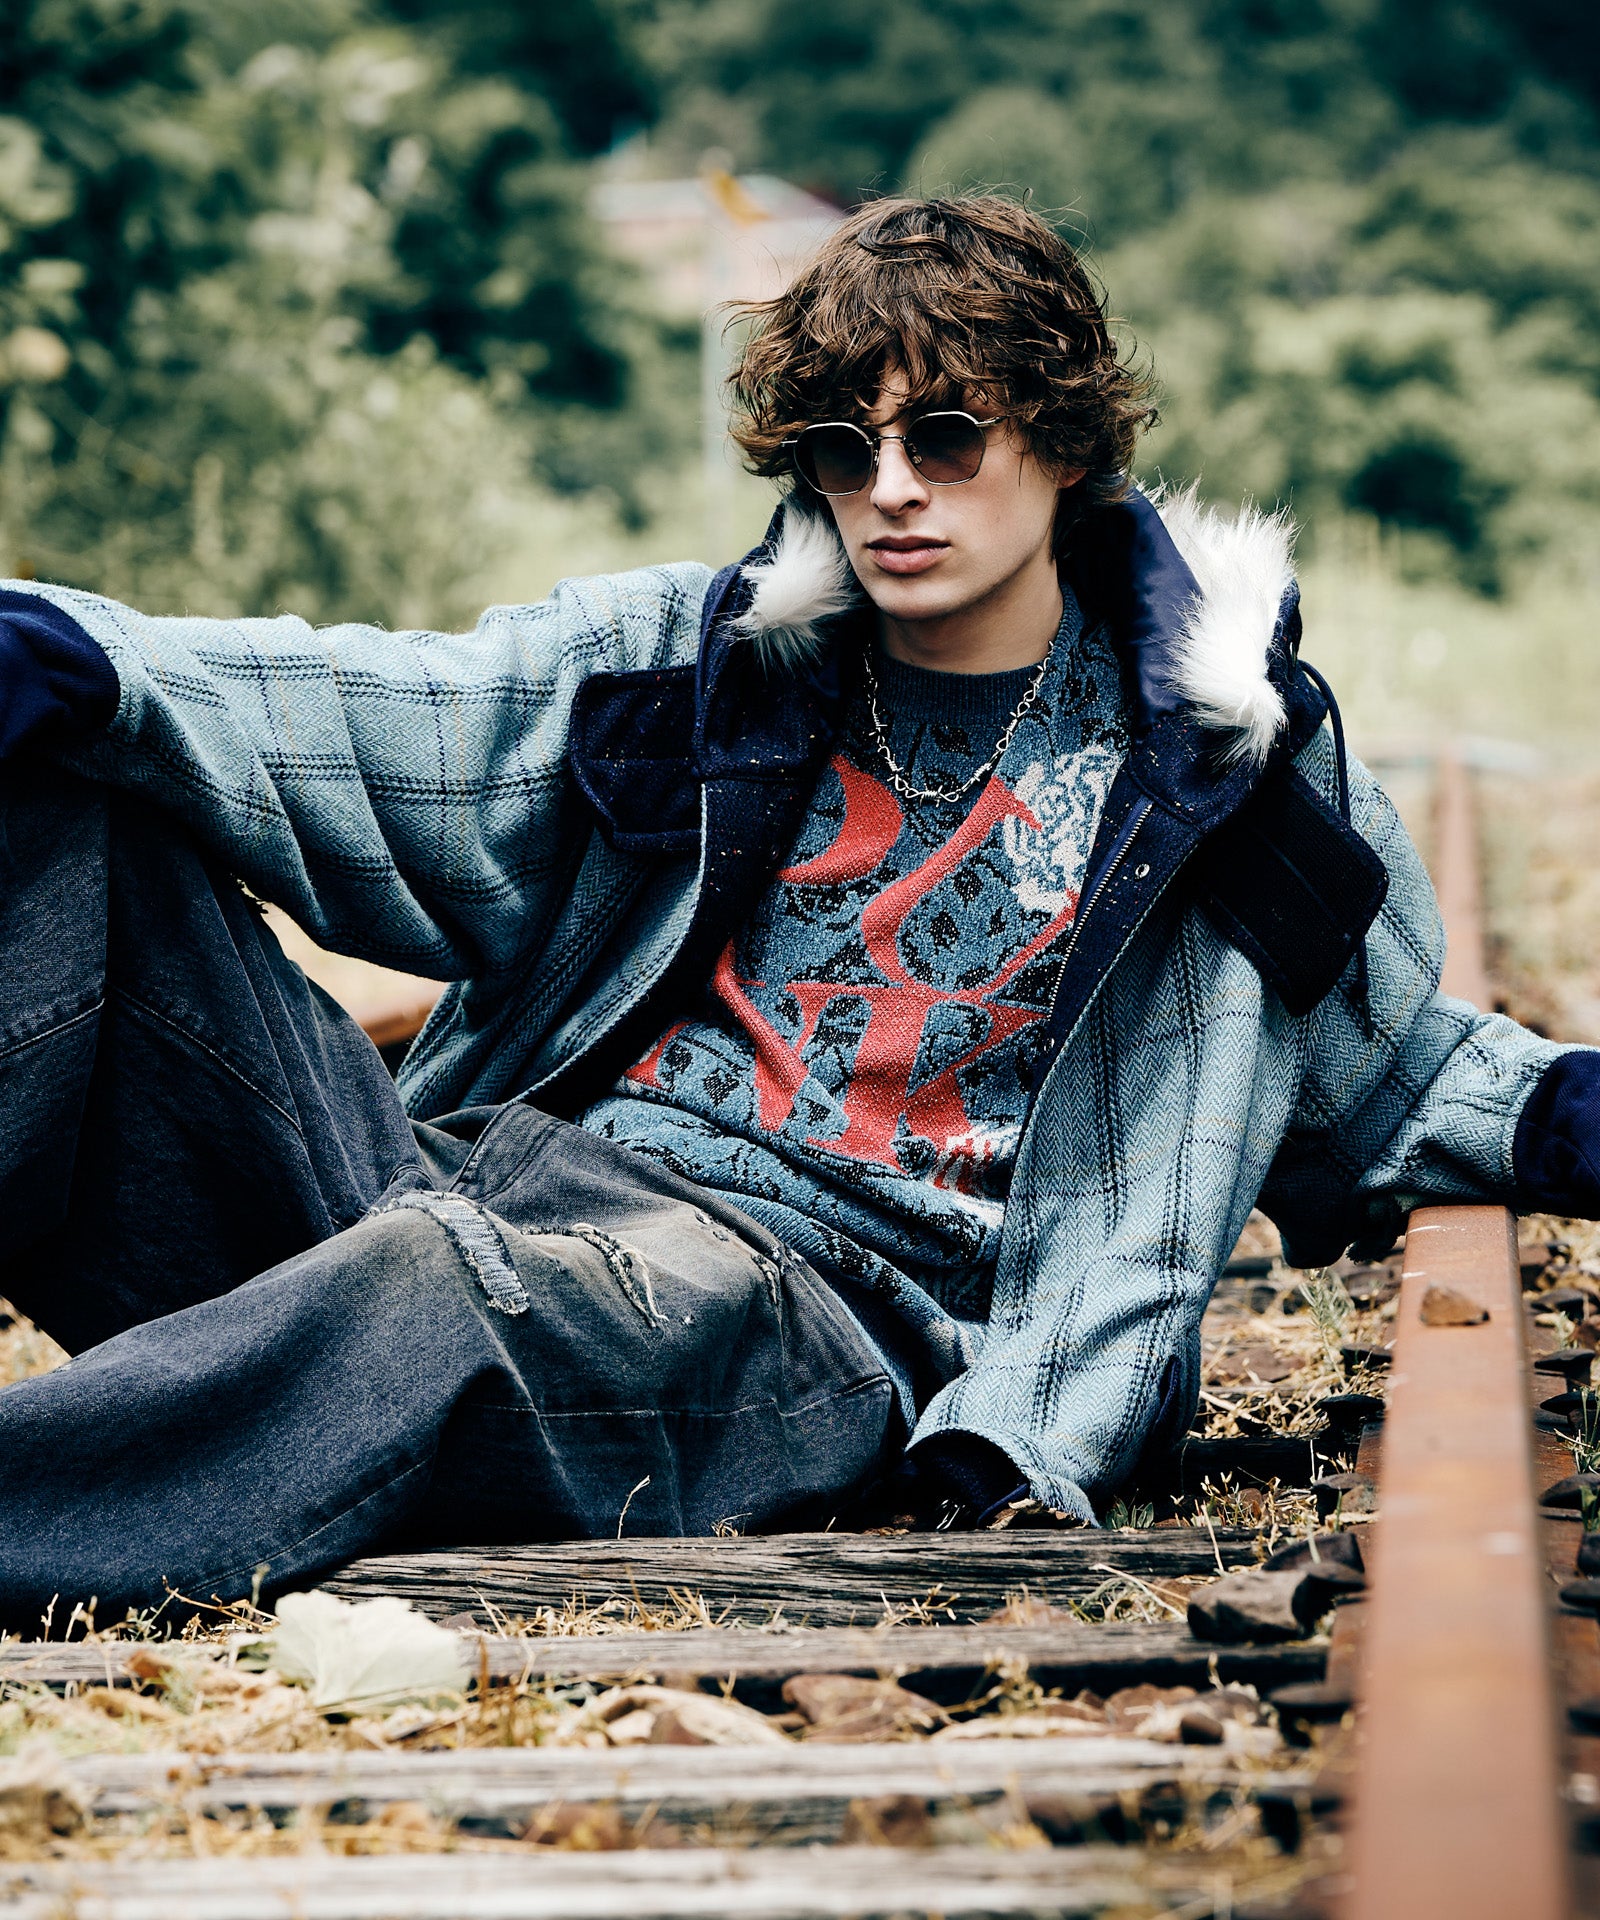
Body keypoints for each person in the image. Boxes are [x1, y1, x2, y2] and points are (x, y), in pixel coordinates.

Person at [0, 193, 1595, 1632]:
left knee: (429, 1285)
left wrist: (1563, 1117)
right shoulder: (713, 664)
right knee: (70, 822)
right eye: (845, 448)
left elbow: (1382, 1066)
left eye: (947, 438)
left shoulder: (1209, 767)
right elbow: (388, 708)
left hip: (804, 1313)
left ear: (1061, 440)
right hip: (504, 1188)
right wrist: (94, 663)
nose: (890, 491)